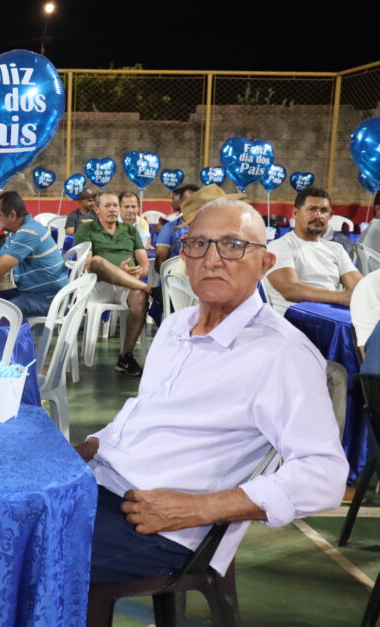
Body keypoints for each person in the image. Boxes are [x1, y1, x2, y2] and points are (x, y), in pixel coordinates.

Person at [74, 197, 347, 584]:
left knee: (20, 550)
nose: (212, 260)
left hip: (164, 527)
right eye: (199, 244)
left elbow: (324, 474)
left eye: (233, 245)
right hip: (104, 483)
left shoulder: (282, 353)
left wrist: (198, 509)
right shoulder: (176, 327)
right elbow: (148, 409)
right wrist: (93, 444)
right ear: (184, 257)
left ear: (265, 263)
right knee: (2, 513)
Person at [74, 191, 152, 376]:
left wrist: (138, 272)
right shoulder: (86, 229)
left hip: (128, 286)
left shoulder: (130, 230)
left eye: (115, 205)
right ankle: (148, 288)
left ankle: (125, 357)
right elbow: (88, 265)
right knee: (97, 261)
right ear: (96, 209)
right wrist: (118, 270)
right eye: (107, 206)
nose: (113, 210)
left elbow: (145, 265)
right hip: (98, 286)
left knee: (140, 298)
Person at [263, 186, 361, 314]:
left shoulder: (336, 249)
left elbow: (359, 286)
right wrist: (341, 297)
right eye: (312, 209)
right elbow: (290, 290)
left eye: (324, 211)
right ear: (295, 213)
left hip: (333, 316)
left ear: (330, 216)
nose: (318, 215)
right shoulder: (279, 246)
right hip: (295, 318)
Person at [0, 189, 68, 317]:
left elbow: (0, 268)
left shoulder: (28, 232)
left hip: (50, 299)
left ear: (12, 215)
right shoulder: (16, 232)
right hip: (32, 293)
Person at [154, 183, 200, 271]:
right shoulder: (169, 228)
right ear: (181, 203)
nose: (192, 206)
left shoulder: (208, 228)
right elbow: (160, 260)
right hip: (175, 275)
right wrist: (171, 276)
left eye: (195, 203)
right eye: (188, 202)